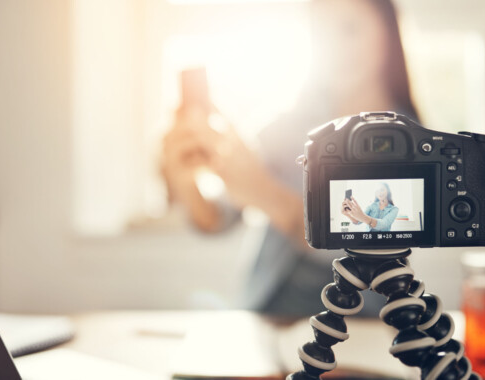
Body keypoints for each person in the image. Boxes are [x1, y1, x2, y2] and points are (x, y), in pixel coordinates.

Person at [161, 0, 419, 316]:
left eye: (349, 29)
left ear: (388, 31)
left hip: (361, 326)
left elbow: (366, 240)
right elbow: (217, 218)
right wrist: (185, 178)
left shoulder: (412, 142)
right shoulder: (289, 125)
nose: (336, 47)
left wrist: (263, 192)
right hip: (267, 317)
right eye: (321, 33)